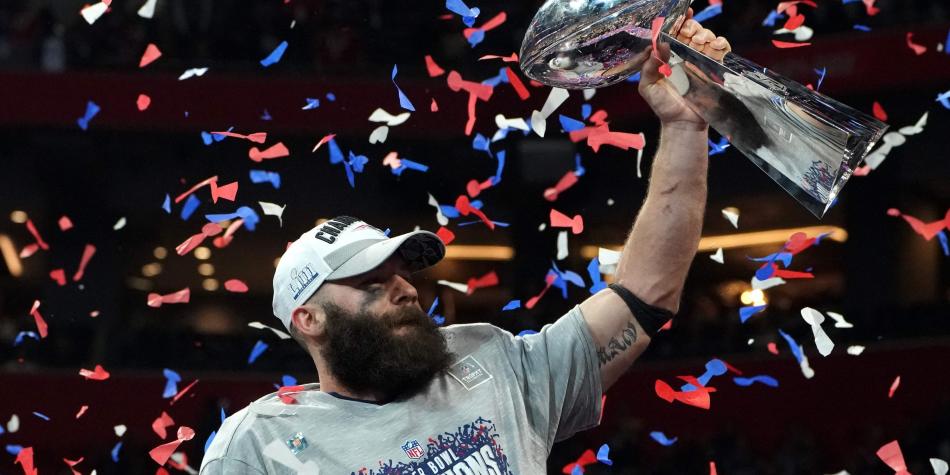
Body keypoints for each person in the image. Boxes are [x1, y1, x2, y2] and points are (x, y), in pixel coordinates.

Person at [200, 17, 730, 475]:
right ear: (308, 319)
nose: (404, 289)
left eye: (399, 273)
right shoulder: (258, 444)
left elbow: (645, 293)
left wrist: (684, 124)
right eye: (370, 283)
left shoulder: (491, 361)